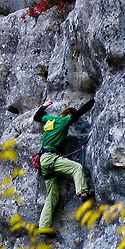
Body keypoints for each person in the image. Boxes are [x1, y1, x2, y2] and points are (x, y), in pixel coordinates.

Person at [33, 98, 95, 236]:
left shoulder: (50, 120)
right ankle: (83, 192)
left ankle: (43, 226)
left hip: (43, 160)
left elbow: (37, 117)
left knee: (52, 195)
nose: (72, 123)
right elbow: (79, 113)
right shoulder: (64, 121)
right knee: (76, 168)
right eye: (72, 122)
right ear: (69, 117)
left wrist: (43, 106)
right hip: (51, 157)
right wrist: (93, 101)